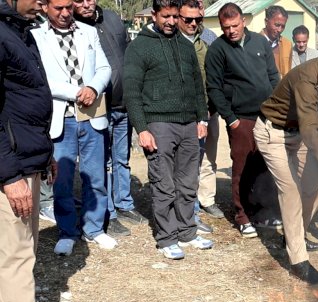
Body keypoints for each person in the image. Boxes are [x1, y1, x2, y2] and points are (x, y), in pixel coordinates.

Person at [0, 0, 83, 302]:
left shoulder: (19, 30)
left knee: (20, 250)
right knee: (17, 254)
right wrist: (9, 175)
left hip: (27, 156)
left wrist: (44, 154)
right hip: (11, 166)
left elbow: (24, 101)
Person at [254, 29, 318, 284]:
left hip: (297, 134)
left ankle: (293, 235)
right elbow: (311, 127)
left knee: (317, 186)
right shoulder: (307, 77)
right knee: (290, 190)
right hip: (273, 133)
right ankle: (299, 261)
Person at [124, 0, 213, 260]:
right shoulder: (139, 47)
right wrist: (142, 128)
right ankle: (167, 238)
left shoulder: (185, 46)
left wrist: (202, 119)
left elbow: (198, 86)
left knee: (188, 182)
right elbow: (131, 91)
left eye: (176, 17)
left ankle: (187, 232)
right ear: (154, 15)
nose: (172, 22)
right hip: (159, 124)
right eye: (166, 16)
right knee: (164, 183)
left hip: (189, 125)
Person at [32, 0, 115, 256]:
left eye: (69, 7)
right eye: (59, 8)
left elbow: (104, 67)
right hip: (61, 119)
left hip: (92, 117)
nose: (66, 13)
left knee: (96, 177)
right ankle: (68, 231)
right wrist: (78, 92)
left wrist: (93, 88)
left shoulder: (87, 31)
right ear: (46, 7)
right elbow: (42, 78)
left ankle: (94, 228)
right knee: (63, 181)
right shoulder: (35, 36)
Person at [72, 0, 148, 238]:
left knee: (122, 159)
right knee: (101, 163)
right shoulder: (74, 28)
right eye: (79, 1)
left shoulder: (113, 18)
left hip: (124, 103)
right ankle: (107, 213)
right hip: (97, 106)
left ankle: (124, 204)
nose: (86, 4)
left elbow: (128, 53)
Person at [205, 2, 281, 238]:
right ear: (221, 26)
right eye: (226, 27)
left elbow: (273, 76)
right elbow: (214, 88)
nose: (231, 30)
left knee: (264, 165)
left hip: (266, 115)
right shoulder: (217, 50)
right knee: (241, 167)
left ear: (243, 21)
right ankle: (242, 216)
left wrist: (277, 109)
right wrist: (231, 119)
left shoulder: (260, 43)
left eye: (235, 25)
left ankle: (262, 211)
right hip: (241, 119)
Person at [175, 0, 220, 236]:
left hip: (204, 113)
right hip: (178, 115)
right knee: (180, 167)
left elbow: (214, 77)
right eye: (188, 20)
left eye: (197, 19)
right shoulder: (171, 40)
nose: (193, 23)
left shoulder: (207, 40)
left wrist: (210, 110)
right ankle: (181, 215)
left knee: (196, 163)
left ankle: (192, 212)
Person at [260, 5, 291, 77]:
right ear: (266, 21)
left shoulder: (287, 44)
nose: (280, 30)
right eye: (277, 25)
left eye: (283, 26)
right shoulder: (254, 42)